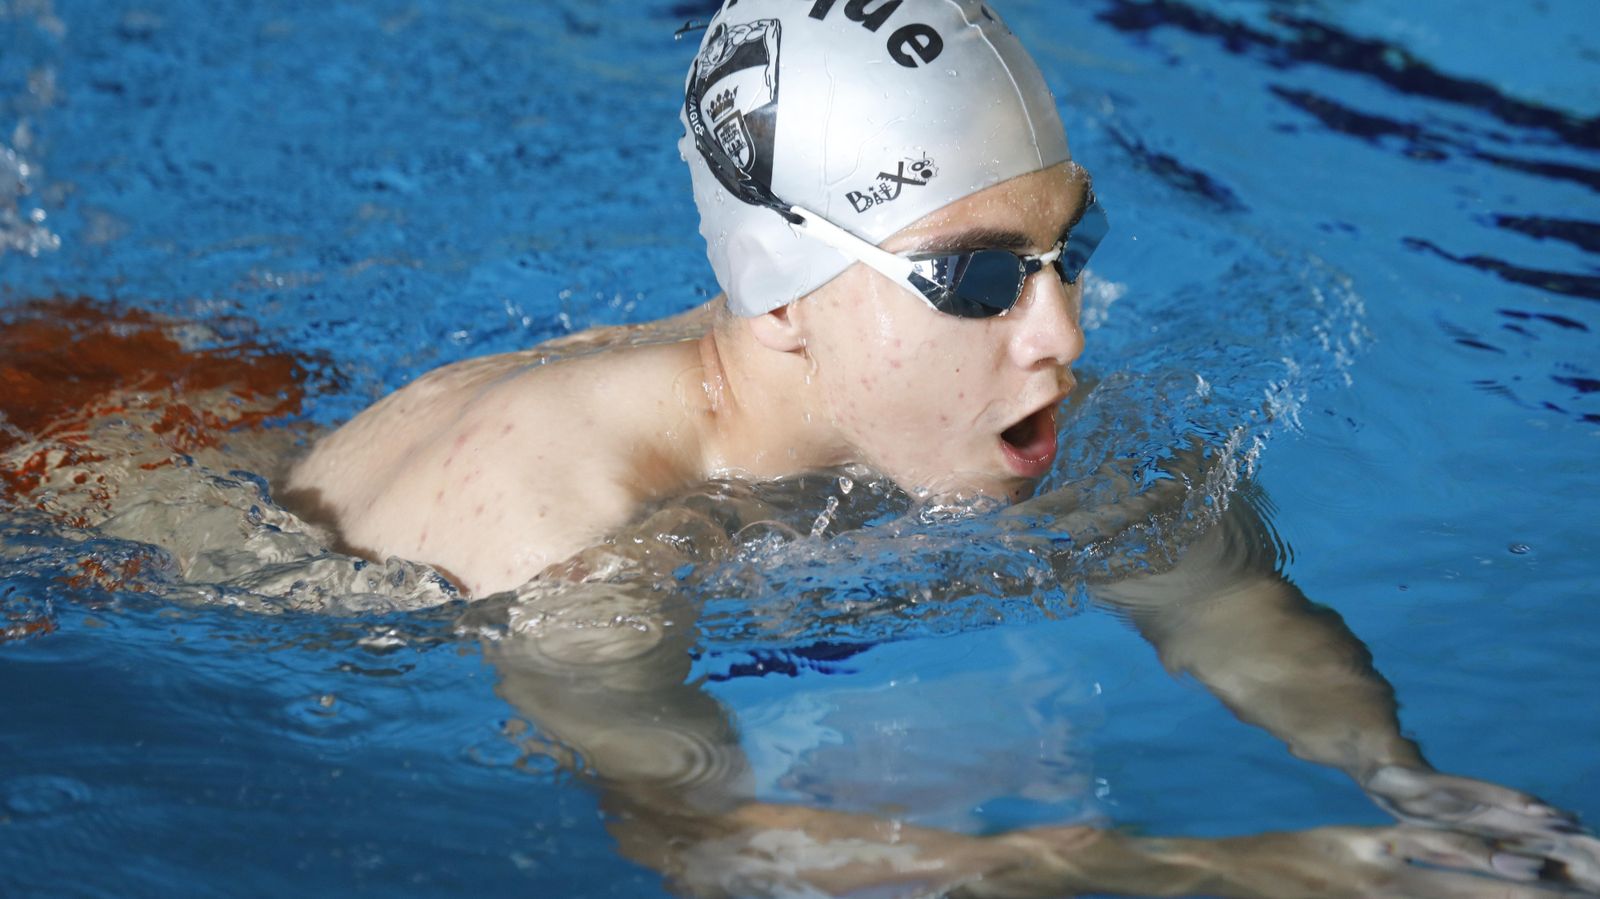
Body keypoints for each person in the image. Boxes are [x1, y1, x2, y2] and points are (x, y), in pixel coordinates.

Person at [282, 1, 1599, 895]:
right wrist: (1267, 875)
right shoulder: (576, 534)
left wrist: (1403, 781)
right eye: (977, 278)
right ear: (784, 296)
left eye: (1068, 250)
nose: (1062, 330)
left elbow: (1206, 585)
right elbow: (703, 844)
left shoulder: (950, 390)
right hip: (185, 543)